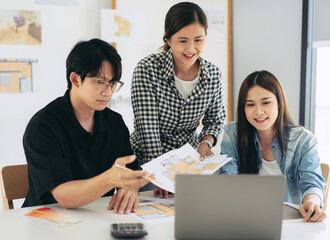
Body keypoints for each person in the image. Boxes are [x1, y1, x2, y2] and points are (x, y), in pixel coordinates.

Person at [22, 39, 153, 215]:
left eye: (113, 83)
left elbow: (130, 170)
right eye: (100, 82)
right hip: (48, 219)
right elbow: (64, 196)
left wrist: (129, 188)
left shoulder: (114, 122)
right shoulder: (42, 127)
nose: (108, 92)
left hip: (97, 215)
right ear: (75, 79)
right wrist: (109, 180)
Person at [130, 2, 226, 198]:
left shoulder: (213, 75)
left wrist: (206, 143)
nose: (191, 48)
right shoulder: (147, 69)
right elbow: (148, 128)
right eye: (182, 41)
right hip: (146, 164)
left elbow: (215, 120)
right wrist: (159, 175)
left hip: (187, 163)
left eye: (198, 40)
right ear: (168, 39)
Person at [220, 70, 327, 222]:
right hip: (245, 220)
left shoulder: (303, 140)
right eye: (250, 105)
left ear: (279, 103)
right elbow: (228, 178)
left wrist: (312, 200)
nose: (258, 111)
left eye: (266, 102)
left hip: (288, 223)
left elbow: (312, 182)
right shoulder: (233, 134)